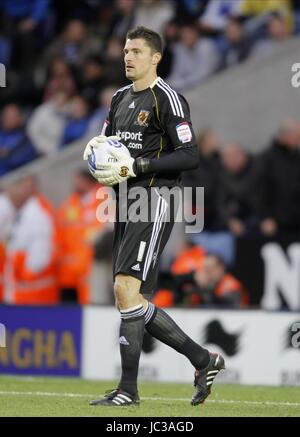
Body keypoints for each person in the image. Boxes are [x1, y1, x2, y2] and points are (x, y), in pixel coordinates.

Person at [83, 26, 225, 407]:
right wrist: (99, 162)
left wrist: (138, 165)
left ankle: (128, 391)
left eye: (137, 52)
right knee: (132, 298)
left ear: (155, 57)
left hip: (155, 198)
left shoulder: (168, 100)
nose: (128, 57)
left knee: (125, 290)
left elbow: (190, 155)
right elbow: (106, 147)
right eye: (126, 51)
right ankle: (203, 359)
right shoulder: (117, 99)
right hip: (125, 202)